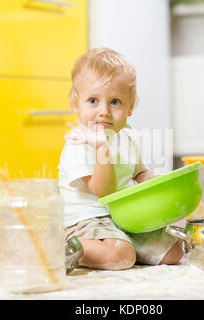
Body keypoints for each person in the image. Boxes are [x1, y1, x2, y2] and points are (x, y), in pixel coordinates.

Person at [58, 48, 183, 270]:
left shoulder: (127, 138)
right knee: (121, 256)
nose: (104, 111)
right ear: (75, 104)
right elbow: (103, 191)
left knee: (174, 251)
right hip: (88, 220)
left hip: (125, 217)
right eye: (93, 100)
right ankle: (62, 245)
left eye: (115, 102)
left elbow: (139, 173)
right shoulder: (79, 143)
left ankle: (123, 243)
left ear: (130, 107)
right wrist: (101, 148)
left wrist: (153, 179)